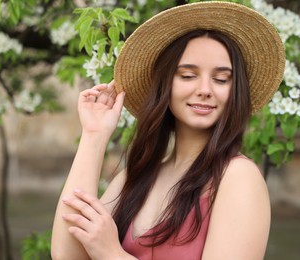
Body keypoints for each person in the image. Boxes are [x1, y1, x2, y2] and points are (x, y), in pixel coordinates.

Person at [51, 1, 285, 259]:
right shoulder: (137, 177)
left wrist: (112, 253)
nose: (205, 89)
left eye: (220, 79)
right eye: (187, 75)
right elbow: (67, 255)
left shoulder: (238, 178)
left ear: (234, 91)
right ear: (165, 85)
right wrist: (94, 136)